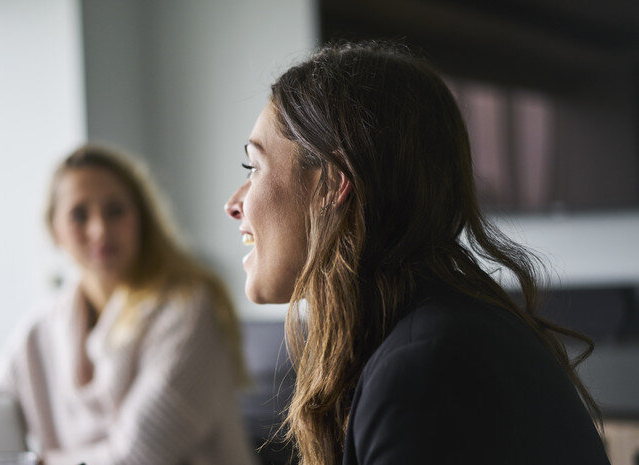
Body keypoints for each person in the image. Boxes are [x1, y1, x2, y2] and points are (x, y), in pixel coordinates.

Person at [225, 42, 610, 465]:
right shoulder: (444, 334)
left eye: (254, 167)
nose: (234, 203)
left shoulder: (425, 371)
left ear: (334, 183)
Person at [0, 144, 256, 465]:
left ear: (141, 218)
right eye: (79, 215)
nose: (100, 230)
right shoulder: (40, 327)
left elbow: (139, 456)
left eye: (115, 211)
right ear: (54, 230)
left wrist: (34, 462)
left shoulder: (189, 308)